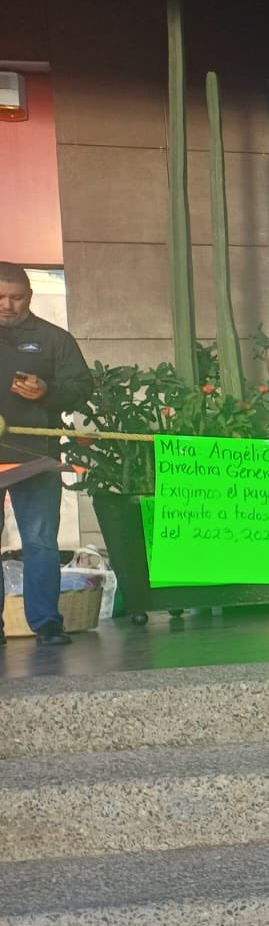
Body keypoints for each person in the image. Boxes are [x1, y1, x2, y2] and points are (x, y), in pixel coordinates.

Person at [0, 263, 92, 647]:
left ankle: (47, 622)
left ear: (30, 296)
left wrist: (48, 390)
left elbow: (82, 386)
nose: (7, 305)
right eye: (0, 297)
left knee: (40, 540)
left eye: (16, 297)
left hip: (35, 455)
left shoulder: (54, 338)